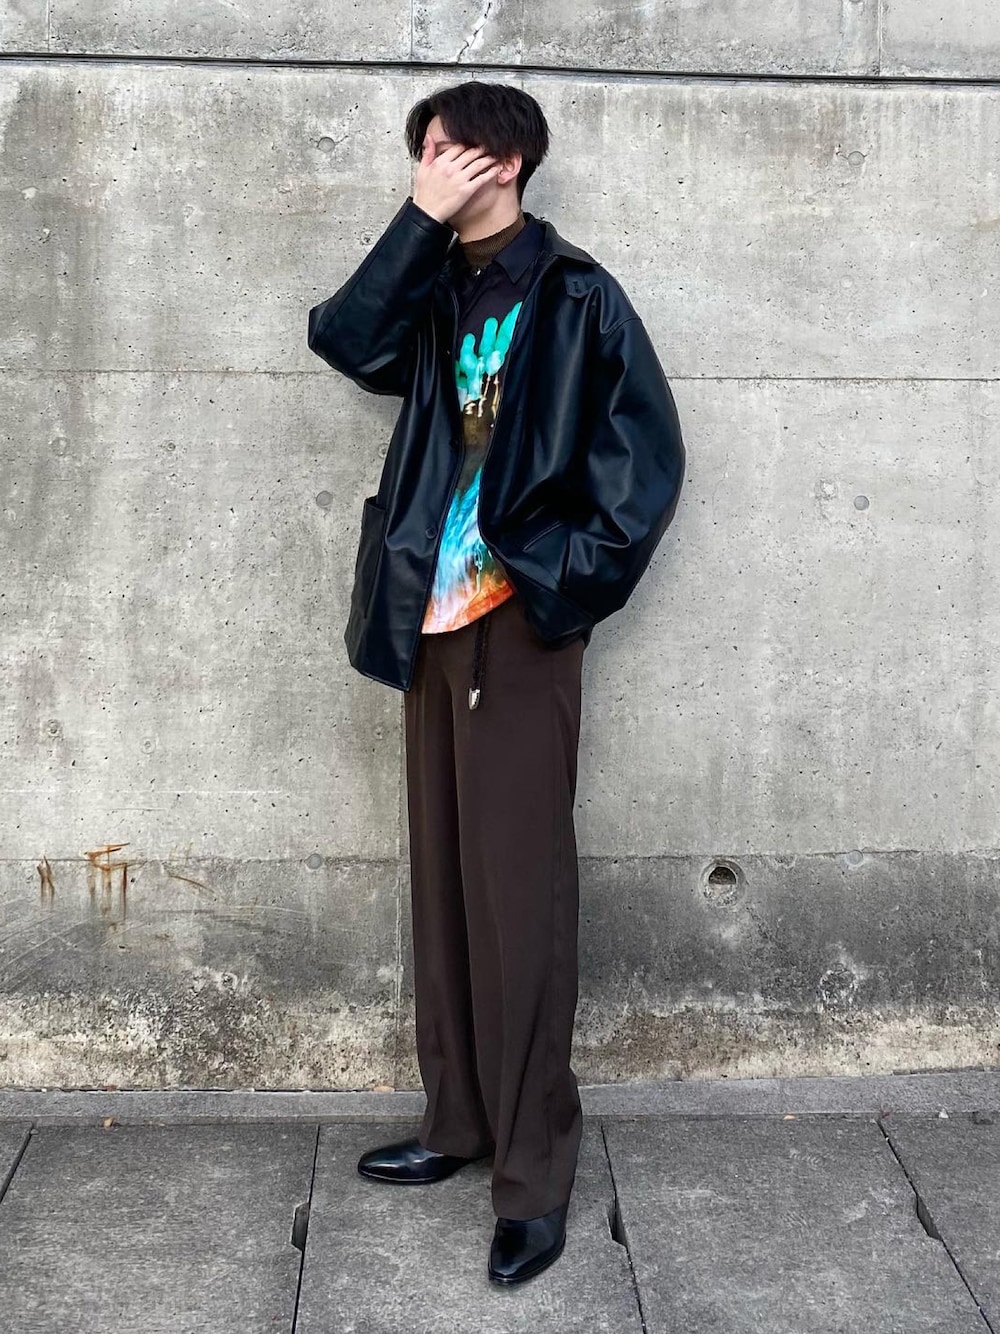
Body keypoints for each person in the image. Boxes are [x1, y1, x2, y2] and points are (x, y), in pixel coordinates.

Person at [307, 79, 685, 1285]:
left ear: (506, 159)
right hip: (424, 623)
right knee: (446, 888)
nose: (429, 162)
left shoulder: (576, 295)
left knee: (520, 901)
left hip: (519, 631)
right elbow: (344, 340)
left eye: (448, 147)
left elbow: (645, 463)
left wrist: (556, 585)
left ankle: (531, 1176)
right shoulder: (427, 292)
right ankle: (458, 1121)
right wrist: (415, 223)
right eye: (421, 150)